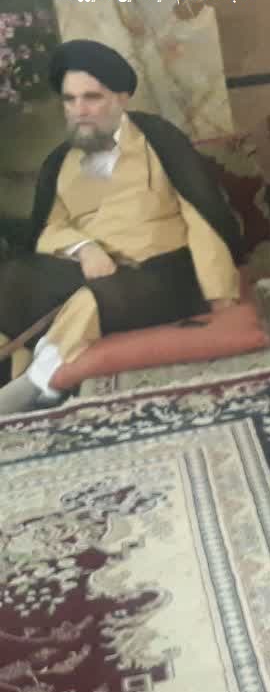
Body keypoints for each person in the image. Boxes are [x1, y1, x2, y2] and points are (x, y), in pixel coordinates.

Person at [0, 40, 243, 415]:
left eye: (92, 98)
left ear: (121, 97)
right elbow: (51, 227)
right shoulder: (60, 161)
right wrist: (85, 249)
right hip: (90, 267)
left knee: (91, 300)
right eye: (70, 99)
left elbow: (200, 216)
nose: (79, 110)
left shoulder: (159, 141)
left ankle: (37, 384)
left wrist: (220, 293)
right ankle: (10, 363)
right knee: (13, 277)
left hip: (162, 274)